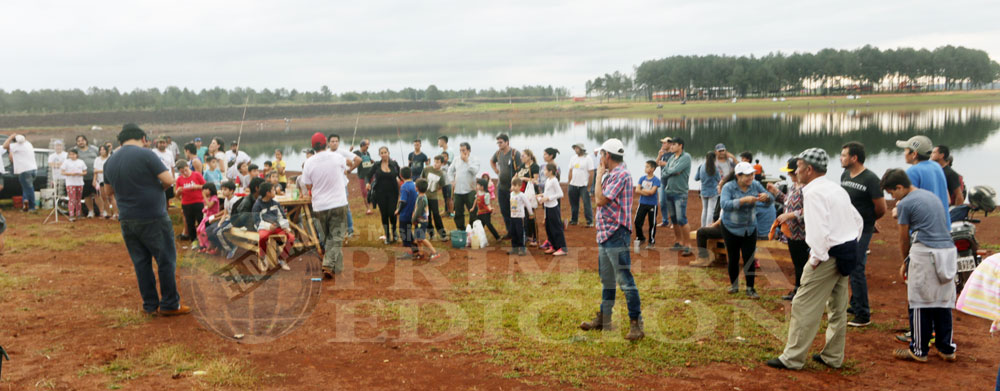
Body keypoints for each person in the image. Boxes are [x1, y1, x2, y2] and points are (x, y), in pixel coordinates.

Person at [767, 148, 862, 370]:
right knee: (837, 307)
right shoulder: (836, 188)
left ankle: (792, 358)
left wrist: (816, 258)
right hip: (847, 250)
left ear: (809, 169)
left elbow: (818, 230)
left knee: (803, 304)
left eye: (799, 166)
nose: (796, 170)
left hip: (827, 254)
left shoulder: (813, 193)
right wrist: (850, 241)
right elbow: (857, 219)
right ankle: (833, 356)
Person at [102, 124, 189, 316]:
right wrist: (156, 189)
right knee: (165, 260)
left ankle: (150, 305)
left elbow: (108, 191)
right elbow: (169, 180)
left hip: (127, 218)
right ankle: (170, 304)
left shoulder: (110, 161)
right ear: (143, 138)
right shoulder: (146, 154)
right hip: (153, 215)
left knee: (141, 263)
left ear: (121, 140)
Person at [879, 169, 958, 363]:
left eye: (892, 193)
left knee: (919, 302)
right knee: (942, 301)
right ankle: (946, 348)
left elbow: (903, 238)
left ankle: (918, 350)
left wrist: (906, 262)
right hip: (948, 250)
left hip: (925, 252)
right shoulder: (930, 196)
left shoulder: (905, 203)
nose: (892, 198)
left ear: (899, 187)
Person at [579, 138, 644, 341]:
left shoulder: (620, 175)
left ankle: (636, 324)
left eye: (601, 155)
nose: (599, 158)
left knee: (625, 280)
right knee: (607, 279)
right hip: (606, 233)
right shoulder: (612, 174)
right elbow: (599, 198)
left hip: (616, 233)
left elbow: (599, 200)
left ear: (607, 156)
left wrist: (598, 175)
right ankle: (604, 318)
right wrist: (601, 176)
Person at [839, 141, 887, 327]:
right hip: (847, 227)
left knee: (856, 267)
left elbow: (881, 208)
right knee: (851, 264)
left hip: (863, 229)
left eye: (844, 155)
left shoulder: (870, 179)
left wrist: (869, 221)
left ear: (854, 158)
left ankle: (863, 314)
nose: (841, 158)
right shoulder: (845, 175)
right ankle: (855, 303)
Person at [720, 162, 770, 299]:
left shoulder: (755, 185)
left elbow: (769, 197)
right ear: (738, 176)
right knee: (733, 257)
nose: (751, 178)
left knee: (749, 258)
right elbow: (724, 204)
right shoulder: (728, 187)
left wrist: (766, 197)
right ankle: (734, 285)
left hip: (750, 227)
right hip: (731, 227)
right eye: (747, 175)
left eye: (752, 174)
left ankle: (750, 288)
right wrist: (742, 201)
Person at [302, 135, 350, 277]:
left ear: (313, 147)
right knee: (336, 236)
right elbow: (346, 169)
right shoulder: (337, 157)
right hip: (338, 202)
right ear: (326, 144)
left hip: (319, 205)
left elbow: (308, 185)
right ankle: (328, 265)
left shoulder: (309, 162)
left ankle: (337, 267)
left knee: (327, 237)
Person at [768, 158, 808, 300]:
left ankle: (801, 292)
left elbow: (811, 209)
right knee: (797, 263)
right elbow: (787, 201)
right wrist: (775, 192)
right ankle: (797, 290)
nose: (790, 175)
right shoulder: (794, 186)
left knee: (802, 264)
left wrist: (790, 215)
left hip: (803, 233)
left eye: (791, 173)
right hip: (791, 232)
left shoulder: (807, 188)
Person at [897, 135, 950, 226]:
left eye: (906, 150)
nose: (904, 153)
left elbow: (907, 204)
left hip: (924, 228)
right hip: (943, 225)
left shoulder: (912, 172)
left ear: (914, 154)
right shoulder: (936, 166)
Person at [251, 182, 295, 271]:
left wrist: (285, 227)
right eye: (273, 190)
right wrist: (268, 226)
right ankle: (263, 256)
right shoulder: (257, 205)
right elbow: (257, 221)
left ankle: (282, 259)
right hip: (264, 228)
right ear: (268, 193)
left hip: (276, 227)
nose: (275, 191)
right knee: (262, 237)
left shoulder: (275, 203)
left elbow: (281, 216)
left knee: (291, 237)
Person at [661, 137, 693, 255]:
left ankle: (688, 245)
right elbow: (664, 173)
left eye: (674, 144)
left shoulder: (686, 157)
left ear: (680, 145)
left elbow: (675, 170)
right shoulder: (671, 158)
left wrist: (672, 170)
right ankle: (678, 242)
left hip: (680, 193)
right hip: (669, 191)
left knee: (681, 219)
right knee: (674, 219)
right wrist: (673, 171)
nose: (671, 146)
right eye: (671, 144)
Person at [367, 146, 401, 244]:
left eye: (385, 152)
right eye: (381, 153)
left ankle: (394, 232)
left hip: (393, 193)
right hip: (380, 193)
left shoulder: (394, 164)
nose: (383, 154)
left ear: (388, 153)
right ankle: (387, 235)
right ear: (379, 155)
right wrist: (367, 183)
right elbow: (368, 175)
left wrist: (406, 182)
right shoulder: (376, 165)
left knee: (392, 213)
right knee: (384, 214)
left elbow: (400, 175)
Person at [490, 133, 521, 239]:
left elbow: (520, 169)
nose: (499, 144)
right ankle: (510, 232)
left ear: (507, 142)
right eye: (498, 142)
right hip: (501, 187)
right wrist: (495, 170)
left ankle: (518, 233)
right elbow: (492, 161)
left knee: (514, 211)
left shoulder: (515, 153)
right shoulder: (498, 153)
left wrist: (514, 183)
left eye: (501, 142)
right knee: (504, 211)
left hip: (513, 189)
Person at [448, 142, 480, 229]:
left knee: (473, 210)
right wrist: (452, 181)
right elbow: (450, 171)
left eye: (464, 150)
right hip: (458, 190)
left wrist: (467, 161)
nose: (462, 152)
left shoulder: (474, 160)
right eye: (460, 150)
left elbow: (475, 171)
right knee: (458, 211)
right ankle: (461, 229)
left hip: (470, 189)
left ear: (469, 150)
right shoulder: (456, 159)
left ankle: (472, 228)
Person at [3, 134, 38, 211]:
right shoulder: (28, 144)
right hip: (34, 169)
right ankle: (25, 203)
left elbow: (4, 146)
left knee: (28, 188)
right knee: (27, 188)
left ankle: (32, 207)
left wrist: (10, 137)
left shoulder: (17, 146)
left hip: (24, 170)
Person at [538, 163, 567, 256]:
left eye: (545, 170)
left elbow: (560, 194)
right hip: (547, 207)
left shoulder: (554, 180)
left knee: (556, 228)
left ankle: (562, 248)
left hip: (553, 208)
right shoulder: (548, 180)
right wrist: (542, 195)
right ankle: (553, 246)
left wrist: (548, 198)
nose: (544, 171)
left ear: (550, 171)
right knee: (549, 227)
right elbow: (548, 192)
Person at [206, 181, 240, 258]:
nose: (223, 191)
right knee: (209, 229)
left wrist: (221, 223)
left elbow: (235, 216)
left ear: (231, 191)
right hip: (227, 219)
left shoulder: (235, 201)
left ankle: (230, 247)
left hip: (234, 221)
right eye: (222, 189)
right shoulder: (226, 199)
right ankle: (220, 247)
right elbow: (225, 213)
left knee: (218, 232)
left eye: (225, 189)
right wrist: (220, 223)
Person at [174, 159, 206, 242]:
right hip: (186, 204)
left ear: (188, 167)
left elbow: (205, 186)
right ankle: (193, 241)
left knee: (201, 222)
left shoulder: (196, 175)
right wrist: (178, 191)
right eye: (182, 172)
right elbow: (177, 195)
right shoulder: (179, 179)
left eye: (186, 170)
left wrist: (197, 186)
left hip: (198, 202)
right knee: (190, 224)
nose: (185, 173)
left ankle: (203, 241)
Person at [411, 178, 441, 260]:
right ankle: (420, 254)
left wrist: (413, 220)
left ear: (417, 188)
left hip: (421, 222)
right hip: (421, 221)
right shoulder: (422, 196)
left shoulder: (421, 199)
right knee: (418, 239)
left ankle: (434, 252)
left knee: (421, 238)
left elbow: (418, 211)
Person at [420, 155, 449, 241]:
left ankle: (442, 234)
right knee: (427, 215)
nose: (435, 164)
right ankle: (431, 233)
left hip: (433, 197)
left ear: (442, 164)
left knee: (436, 214)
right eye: (435, 162)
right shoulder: (427, 169)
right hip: (425, 196)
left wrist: (435, 189)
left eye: (438, 162)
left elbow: (441, 185)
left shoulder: (441, 174)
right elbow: (421, 179)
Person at [516, 149, 541, 246]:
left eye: (523, 156)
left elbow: (536, 180)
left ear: (529, 156)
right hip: (521, 192)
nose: (521, 157)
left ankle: (534, 237)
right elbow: (517, 175)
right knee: (524, 215)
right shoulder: (522, 166)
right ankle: (527, 235)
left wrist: (524, 178)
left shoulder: (534, 166)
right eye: (521, 156)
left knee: (530, 215)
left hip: (530, 193)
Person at [567, 143, 595, 227]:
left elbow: (591, 173)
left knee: (586, 204)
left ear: (581, 149)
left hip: (583, 185)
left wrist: (589, 185)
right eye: (575, 148)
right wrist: (569, 182)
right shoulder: (573, 158)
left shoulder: (588, 158)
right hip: (573, 184)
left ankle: (589, 221)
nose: (576, 150)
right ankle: (574, 220)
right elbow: (570, 171)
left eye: (577, 148)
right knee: (574, 204)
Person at [634, 160, 660, 249]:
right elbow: (637, 190)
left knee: (652, 223)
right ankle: (641, 237)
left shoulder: (656, 180)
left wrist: (642, 190)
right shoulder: (642, 178)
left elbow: (652, 192)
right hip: (642, 203)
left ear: (652, 169)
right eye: (645, 166)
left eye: (647, 167)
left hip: (652, 204)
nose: (645, 168)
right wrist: (646, 191)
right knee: (637, 221)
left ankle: (651, 242)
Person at [396, 167, 419, 259]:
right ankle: (415, 249)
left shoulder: (404, 187)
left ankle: (410, 252)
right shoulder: (414, 184)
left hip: (405, 214)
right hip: (413, 213)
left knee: (404, 233)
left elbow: (403, 201)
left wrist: (398, 210)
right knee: (408, 232)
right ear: (411, 174)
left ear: (401, 176)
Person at [695, 151, 721, 228]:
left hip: (703, 191)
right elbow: (719, 179)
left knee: (704, 210)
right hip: (713, 192)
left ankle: (703, 226)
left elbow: (696, 178)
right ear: (714, 159)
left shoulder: (701, 167)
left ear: (706, 157)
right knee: (711, 210)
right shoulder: (715, 168)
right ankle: (708, 227)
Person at [508, 177, 533, 256]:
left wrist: (531, 213)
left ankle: (522, 248)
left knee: (520, 233)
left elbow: (528, 204)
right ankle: (514, 248)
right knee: (513, 232)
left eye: (515, 185)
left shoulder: (522, 195)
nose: (513, 187)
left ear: (520, 186)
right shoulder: (511, 194)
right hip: (513, 217)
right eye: (512, 185)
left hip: (520, 217)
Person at [473, 177, 502, 241]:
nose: (477, 186)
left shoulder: (486, 195)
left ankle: (497, 237)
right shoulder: (478, 193)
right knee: (480, 225)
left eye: (478, 185)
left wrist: (490, 208)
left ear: (482, 187)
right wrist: (473, 208)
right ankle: (478, 237)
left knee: (488, 224)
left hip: (486, 212)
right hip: (480, 212)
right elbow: (476, 200)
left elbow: (487, 204)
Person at [62, 149, 87, 220]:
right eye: (70, 154)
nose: (72, 156)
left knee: (78, 199)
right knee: (72, 199)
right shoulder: (66, 162)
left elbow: (85, 172)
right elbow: (62, 172)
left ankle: (78, 214)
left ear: (77, 155)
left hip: (79, 182)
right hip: (70, 183)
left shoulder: (81, 162)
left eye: (73, 154)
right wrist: (70, 174)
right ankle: (71, 214)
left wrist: (80, 173)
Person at [195, 183, 220, 252]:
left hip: (213, 217)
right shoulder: (207, 198)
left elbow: (209, 205)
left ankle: (209, 246)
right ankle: (202, 245)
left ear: (211, 190)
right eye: (203, 189)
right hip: (207, 217)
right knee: (198, 230)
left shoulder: (214, 198)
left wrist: (204, 197)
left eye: (206, 189)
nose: (204, 191)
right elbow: (206, 207)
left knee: (203, 231)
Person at [93, 144, 115, 219]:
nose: (102, 151)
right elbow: (95, 171)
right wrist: (94, 180)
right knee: (103, 197)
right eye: (100, 150)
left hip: (109, 179)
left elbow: (110, 170)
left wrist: (99, 171)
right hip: (101, 180)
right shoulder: (97, 159)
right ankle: (108, 213)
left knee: (111, 197)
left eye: (104, 150)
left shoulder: (111, 158)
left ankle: (116, 214)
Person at [152, 136, 176, 203]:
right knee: (157, 198)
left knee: (167, 198)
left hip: (168, 179)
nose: (162, 144)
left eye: (164, 143)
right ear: (157, 143)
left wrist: (173, 178)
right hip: (157, 179)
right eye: (160, 143)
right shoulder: (153, 152)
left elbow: (172, 166)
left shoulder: (169, 153)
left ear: (166, 144)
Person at [354, 139, 375, 215]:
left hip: (370, 175)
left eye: (368, 146)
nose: (367, 148)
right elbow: (349, 157)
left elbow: (369, 161)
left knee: (372, 191)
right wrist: (350, 150)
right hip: (362, 176)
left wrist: (372, 161)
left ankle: (372, 205)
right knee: (364, 192)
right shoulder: (356, 153)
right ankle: (368, 209)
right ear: (362, 146)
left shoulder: (367, 153)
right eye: (366, 146)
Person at [437, 136, 453, 217]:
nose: (438, 143)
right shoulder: (440, 151)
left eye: (439, 141)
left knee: (449, 198)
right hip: (443, 182)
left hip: (449, 181)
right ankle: (446, 211)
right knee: (445, 197)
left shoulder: (450, 151)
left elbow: (452, 167)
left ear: (443, 141)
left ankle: (451, 212)